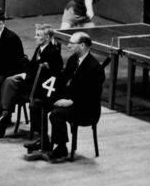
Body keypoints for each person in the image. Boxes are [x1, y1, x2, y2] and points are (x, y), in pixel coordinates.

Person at [27, 32, 104, 163]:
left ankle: (61, 148)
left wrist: (71, 101)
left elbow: (92, 95)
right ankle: (44, 141)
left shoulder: (94, 67)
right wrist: (51, 95)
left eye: (71, 44)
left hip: (85, 108)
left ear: (82, 45)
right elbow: (63, 81)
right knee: (38, 104)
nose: (68, 46)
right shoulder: (73, 60)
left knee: (56, 114)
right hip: (70, 99)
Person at [0, 24, 62, 139]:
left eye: (38, 35)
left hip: (40, 88)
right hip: (31, 81)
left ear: (47, 38)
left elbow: (48, 75)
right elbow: (32, 66)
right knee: (8, 84)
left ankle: (3, 118)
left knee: (9, 82)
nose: (35, 37)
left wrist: (26, 77)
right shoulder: (40, 48)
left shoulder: (52, 53)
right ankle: (3, 119)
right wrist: (24, 74)